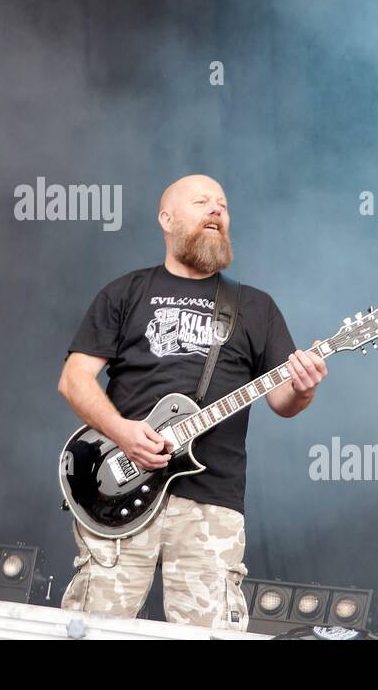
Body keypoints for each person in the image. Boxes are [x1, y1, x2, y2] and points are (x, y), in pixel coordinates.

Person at [58, 174, 326, 630]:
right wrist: (124, 432)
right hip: (116, 483)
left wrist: (304, 386)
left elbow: (283, 401)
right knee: (94, 628)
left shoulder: (254, 306)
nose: (216, 210)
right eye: (202, 201)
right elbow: (74, 380)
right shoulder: (127, 292)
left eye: (222, 204)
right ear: (166, 218)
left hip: (211, 498)